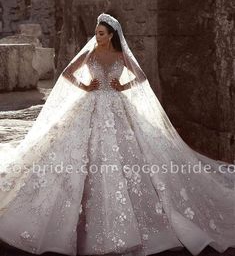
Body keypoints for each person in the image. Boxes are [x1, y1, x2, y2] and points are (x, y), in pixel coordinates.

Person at [0, 13, 234, 256]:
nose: (97, 36)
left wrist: (124, 86)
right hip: (89, 105)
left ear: (111, 35)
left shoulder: (121, 55)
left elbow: (141, 77)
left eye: (101, 33)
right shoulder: (90, 53)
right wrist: (84, 86)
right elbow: (67, 73)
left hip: (115, 107)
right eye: (96, 33)